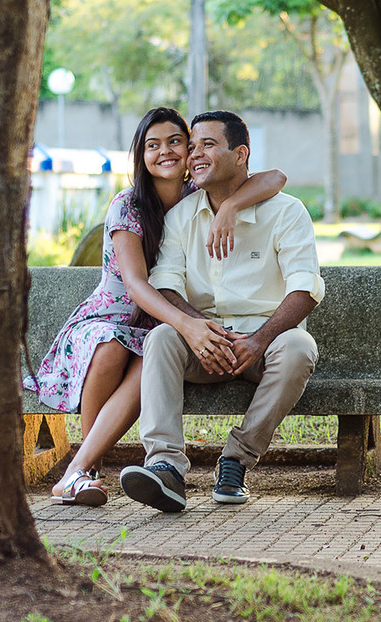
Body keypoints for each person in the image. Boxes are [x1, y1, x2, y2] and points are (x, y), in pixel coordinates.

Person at [23, 107, 286, 506]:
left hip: (157, 327)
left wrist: (230, 207)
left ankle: (77, 471)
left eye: (175, 141)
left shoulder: (198, 195)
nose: (164, 151)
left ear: (190, 149)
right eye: (152, 145)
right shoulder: (128, 205)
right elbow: (136, 284)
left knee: (150, 350)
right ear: (140, 155)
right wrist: (187, 324)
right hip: (111, 319)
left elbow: (276, 178)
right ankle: (84, 472)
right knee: (112, 344)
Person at [119, 110, 323, 512]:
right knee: (161, 337)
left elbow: (305, 288)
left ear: (241, 154)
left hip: (265, 341)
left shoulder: (286, 212)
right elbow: (165, 285)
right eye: (192, 146)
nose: (194, 154)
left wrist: (260, 339)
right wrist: (197, 329)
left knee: (300, 347)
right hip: (203, 342)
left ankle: (235, 460)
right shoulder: (180, 217)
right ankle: (165, 467)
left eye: (208, 145)